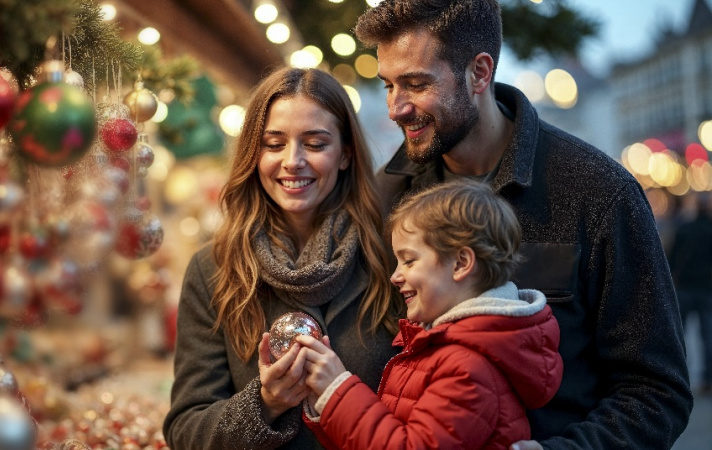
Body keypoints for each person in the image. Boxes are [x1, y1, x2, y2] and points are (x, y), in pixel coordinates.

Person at [353, 1, 693, 448]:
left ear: (479, 72)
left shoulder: (598, 191)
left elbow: (656, 390)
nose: (396, 108)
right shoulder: (385, 197)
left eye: (416, 84)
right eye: (388, 86)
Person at [162, 67, 404, 449]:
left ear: (345, 155)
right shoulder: (214, 269)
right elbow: (185, 431)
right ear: (254, 155)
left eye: (315, 143)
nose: (293, 161)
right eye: (274, 144)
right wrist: (264, 403)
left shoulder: (391, 257)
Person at [298, 180, 563, 449]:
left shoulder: (467, 368)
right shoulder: (440, 348)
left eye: (409, 260)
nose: (395, 276)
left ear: (461, 263)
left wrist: (338, 391)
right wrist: (323, 394)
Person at [668, 192, 712, 395]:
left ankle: (676, 377)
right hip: (707, 289)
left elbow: (672, 259)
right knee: (708, 337)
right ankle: (708, 379)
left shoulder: (683, 229)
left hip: (684, 287)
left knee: (678, 335)